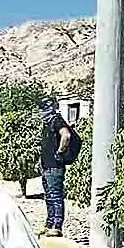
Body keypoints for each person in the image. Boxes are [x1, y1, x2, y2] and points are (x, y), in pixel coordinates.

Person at [37, 98, 71, 238]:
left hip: (55, 166)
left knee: (55, 196)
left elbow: (66, 135)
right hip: (47, 166)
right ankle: (49, 223)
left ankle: (57, 225)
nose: (40, 112)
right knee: (49, 196)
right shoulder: (48, 123)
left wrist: (60, 152)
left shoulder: (57, 120)